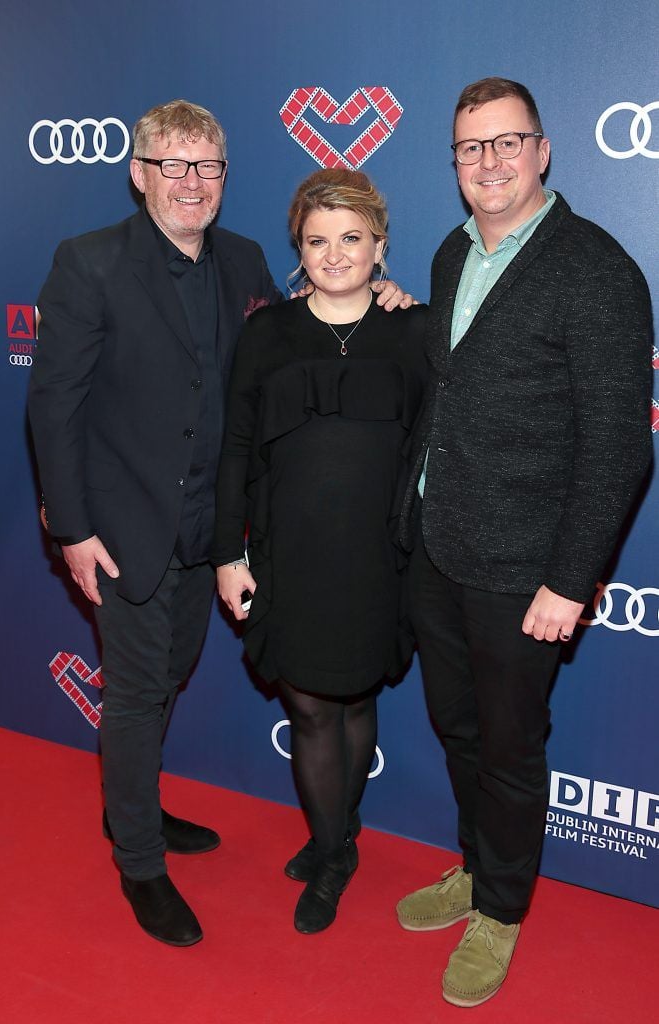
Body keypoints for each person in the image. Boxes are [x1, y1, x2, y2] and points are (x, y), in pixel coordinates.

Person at [28, 99, 408, 948]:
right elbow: (53, 407)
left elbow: (297, 340)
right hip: (123, 529)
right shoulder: (88, 263)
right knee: (132, 695)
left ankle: (141, 809)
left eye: (208, 167)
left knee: (169, 676)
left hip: (214, 533)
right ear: (140, 174)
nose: (191, 183)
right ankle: (137, 860)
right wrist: (73, 530)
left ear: (225, 178)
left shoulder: (242, 263)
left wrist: (380, 296)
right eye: (173, 164)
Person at [396, 78, 652, 1007]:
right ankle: (472, 866)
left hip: (524, 573)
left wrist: (567, 578)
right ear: (455, 163)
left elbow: (619, 444)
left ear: (542, 151)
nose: (489, 162)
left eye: (507, 143)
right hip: (439, 548)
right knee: (458, 729)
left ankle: (500, 908)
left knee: (508, 745)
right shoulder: (445, 256)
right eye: (470, 148)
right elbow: (448, 392)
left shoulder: (595, 268)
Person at [212, 168, 427, 933]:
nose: (334, 254)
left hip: (377, 555)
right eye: (316, 240)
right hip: (288, 552)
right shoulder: (268, 331)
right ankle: (331, 847)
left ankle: (340, 837)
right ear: (298, 249)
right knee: (308, 705)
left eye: (351, 238)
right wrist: (226, 553)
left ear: (379, 243)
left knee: (358, 693)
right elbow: (235, 448)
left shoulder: (414, 329)